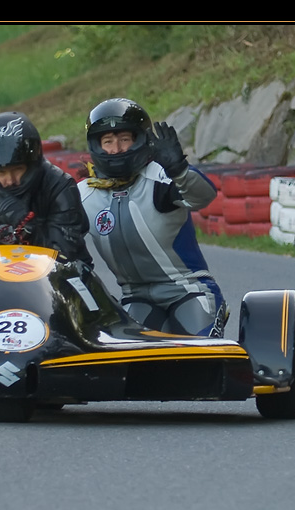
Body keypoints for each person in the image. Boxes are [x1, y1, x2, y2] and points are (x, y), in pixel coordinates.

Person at [77, 98, 228, 337]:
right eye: (108, 141)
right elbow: (58, 238)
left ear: (141, 140)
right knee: (121, 363)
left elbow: (204, 197)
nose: (116, 149)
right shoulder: (84, 194)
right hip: (135, 297)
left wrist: (179, 170)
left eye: (124, 139)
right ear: (96, 146)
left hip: (189, 291)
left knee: (200, 357)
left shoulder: (160, 177)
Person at [0, 111, 93, 271]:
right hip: (8, 272)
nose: (10, 180)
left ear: (32, 164)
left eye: (17, 169)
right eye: (0, 173)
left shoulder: (59, 185)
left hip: (69, 276)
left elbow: (65, 256)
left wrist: (26, 224)